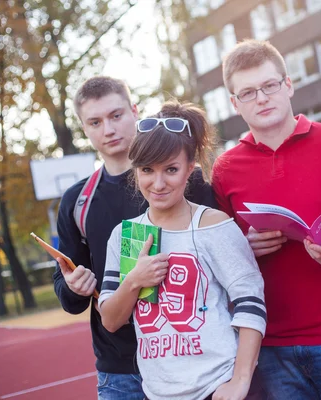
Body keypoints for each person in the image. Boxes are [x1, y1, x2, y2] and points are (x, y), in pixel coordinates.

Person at [212, 39, 321, 399]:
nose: (261, 98)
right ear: (235, 104)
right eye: (248, 93)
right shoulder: (225, 169)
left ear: (288, 85)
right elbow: (220, 256)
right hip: (268, 343)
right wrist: (244, 248)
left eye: (269, 86)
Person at [53, 77, 217, 400]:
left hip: (189, 356)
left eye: (116, 116)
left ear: (134, 111)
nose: (108, 129)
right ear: (84, 129)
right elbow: (66, 288)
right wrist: (74, 287)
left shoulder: (186, 179)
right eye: (95, 122)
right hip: (120, 370)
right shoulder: (77, 202)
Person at [98, 100, 267, 400]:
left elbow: (251, 301)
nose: (158, 183)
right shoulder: (129, 235)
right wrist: (135, 280)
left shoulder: (212, 225)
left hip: (218, 385)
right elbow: (111, 321)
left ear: (190, 168)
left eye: (171, 169)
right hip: (158, 393)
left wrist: (240, 381)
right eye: (147, 170)